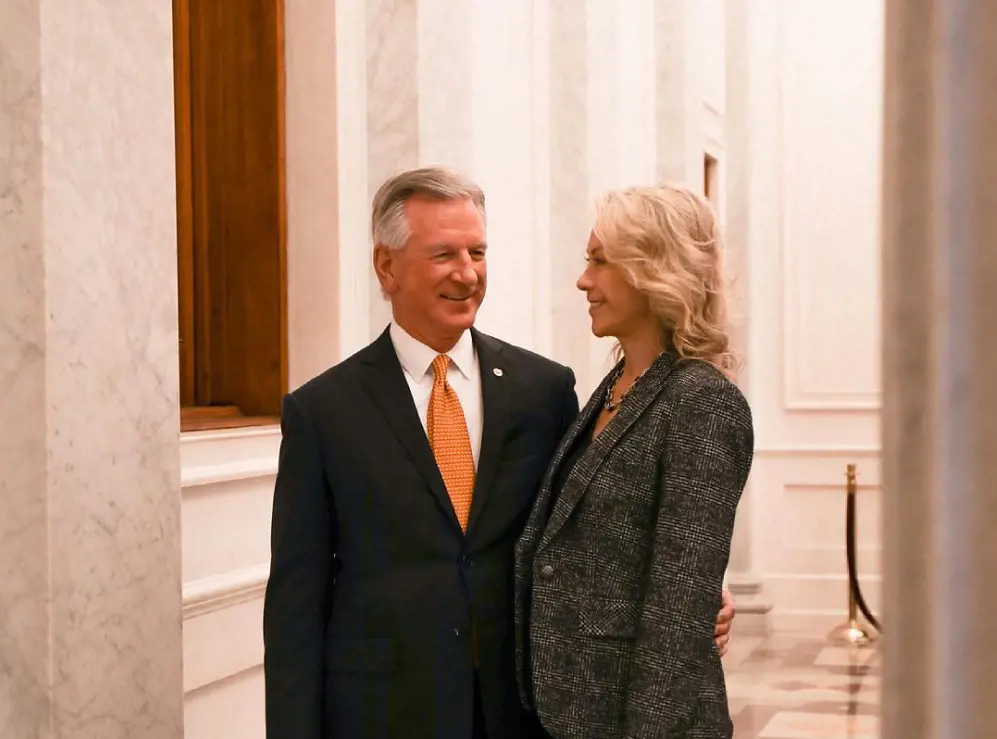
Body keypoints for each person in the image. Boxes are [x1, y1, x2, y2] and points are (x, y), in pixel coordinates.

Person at [263, 166, 736, 739]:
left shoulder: (544, 390)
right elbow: (295, 605)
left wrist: (699, 585)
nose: (467, 274)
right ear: (387, 266)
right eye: (444, 255)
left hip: (524, 713)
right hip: (382, 714)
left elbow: (590, 529)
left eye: (478, 252)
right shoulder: (322, 412)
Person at [515, 183, 753, 739]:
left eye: (600, 262)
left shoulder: (701, 402)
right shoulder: (613, 388)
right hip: (576, 715)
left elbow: (677, 619)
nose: (583, 280)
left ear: (654, 272)